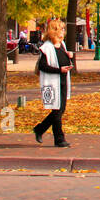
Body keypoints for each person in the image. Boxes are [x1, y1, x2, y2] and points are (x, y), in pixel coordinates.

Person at [33, 19, 73, 147]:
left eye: (63, 29)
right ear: (53, 31)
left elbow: (64, 60)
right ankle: (59, 139)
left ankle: (40, 129)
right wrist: (58, 70)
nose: (62, 32)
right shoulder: (46, 48)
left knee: (61, 109)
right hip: (52, 82)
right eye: (59, 29)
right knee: (56, 110)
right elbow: (42, 66)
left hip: (63, 80)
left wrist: (69, 56)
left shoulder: (62, 45)